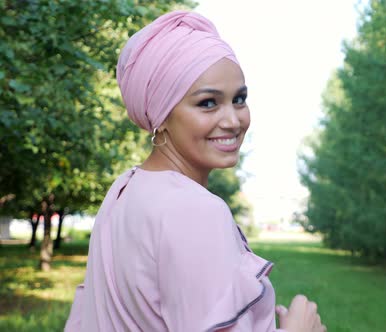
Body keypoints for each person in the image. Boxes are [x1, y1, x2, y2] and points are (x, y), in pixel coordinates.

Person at [64, 10, 326, 332]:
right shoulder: (196, 210)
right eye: (208, 103)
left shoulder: (123, 192)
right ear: (161, 113)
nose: (233, 120)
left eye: (239, 99)